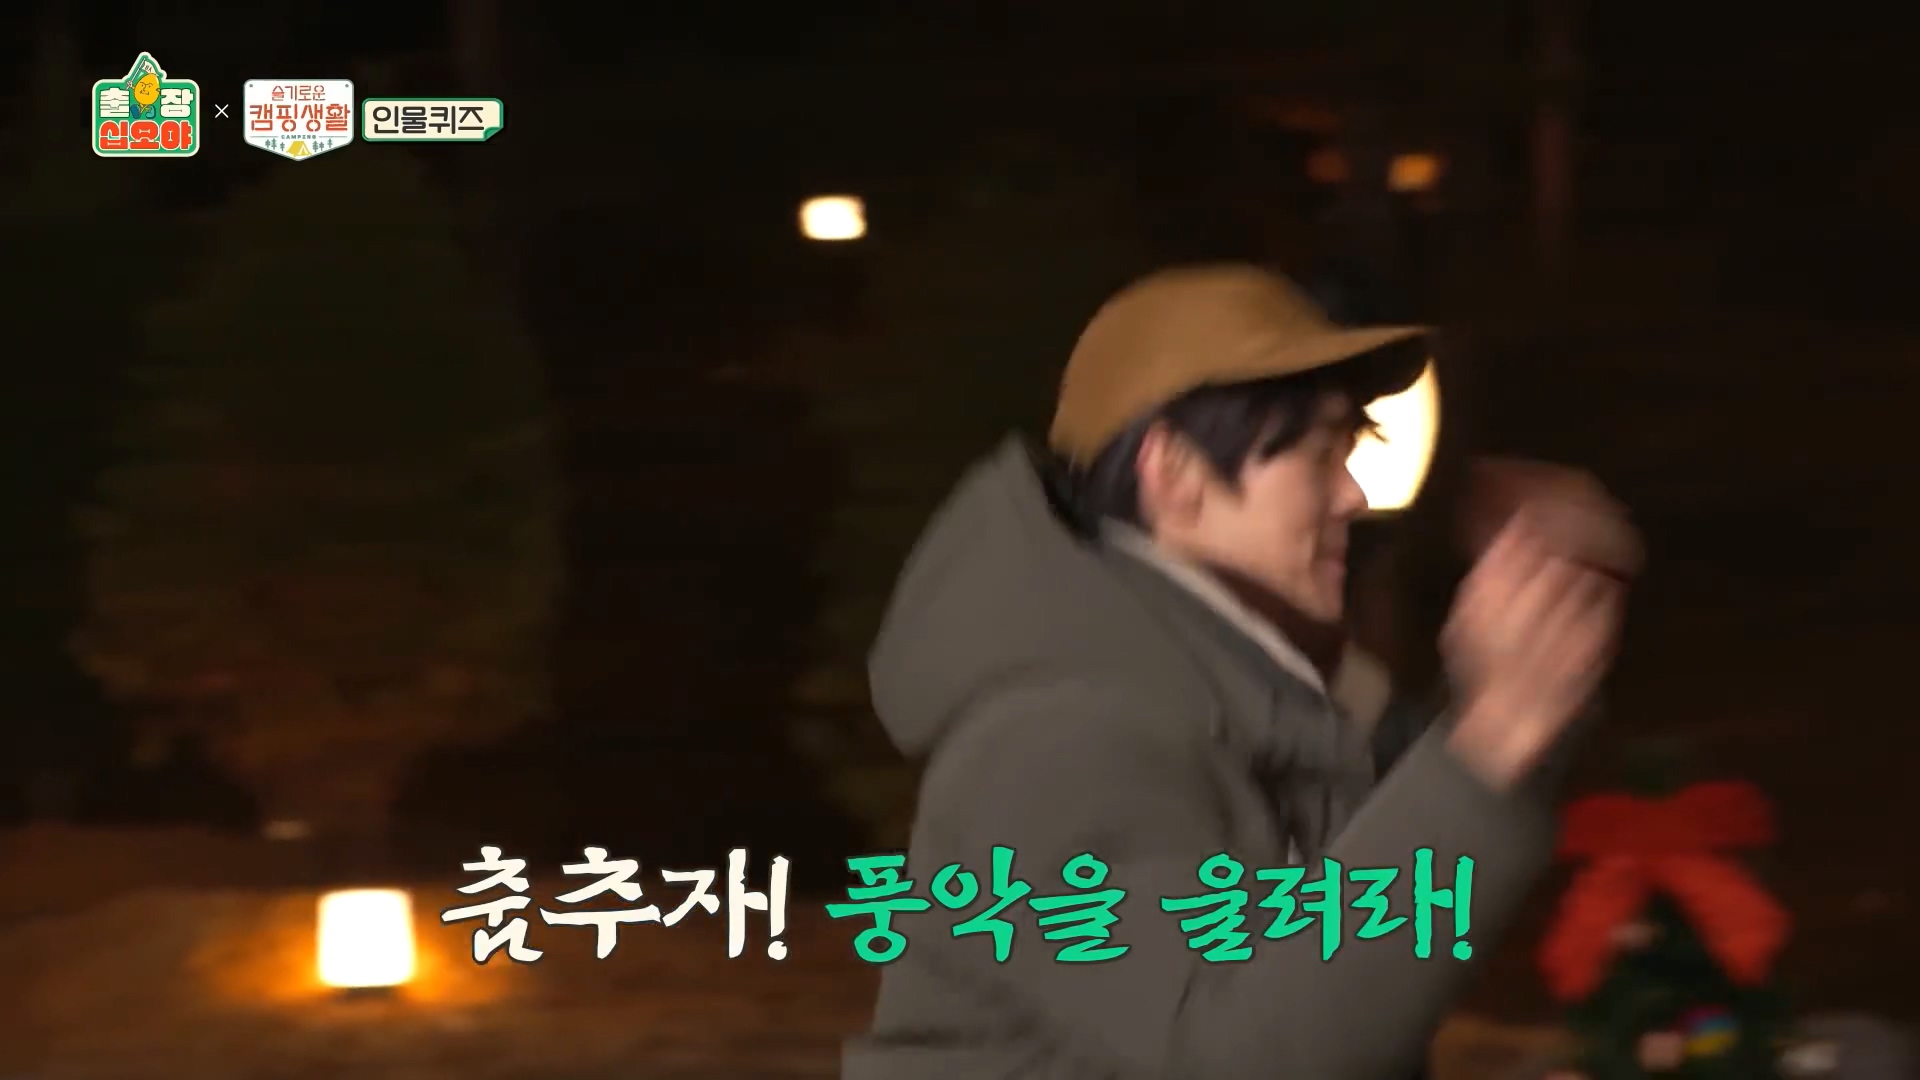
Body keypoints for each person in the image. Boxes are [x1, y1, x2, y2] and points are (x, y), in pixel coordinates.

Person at [841, 263, 1636, 1079]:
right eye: (1320, 455)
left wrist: (1535, 675)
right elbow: (1237, 1053)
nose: (1354, 495)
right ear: (1177, 475)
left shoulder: (1255, 700)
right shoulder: (1057, 737)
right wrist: (1493, 736)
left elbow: (1368, 949)